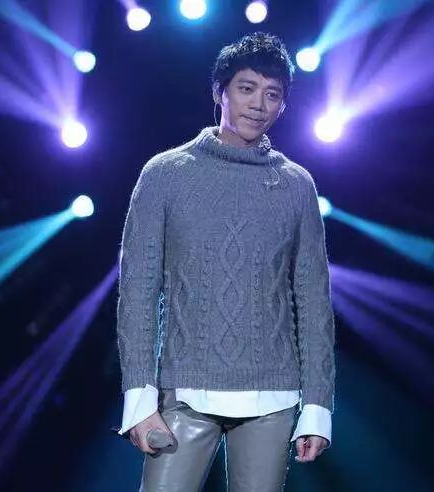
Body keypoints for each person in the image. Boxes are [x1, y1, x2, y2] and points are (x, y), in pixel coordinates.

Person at [115, 31, 336, 491]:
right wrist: (139, 396)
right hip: (184, 390)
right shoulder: (165, 174)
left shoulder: (297, 185)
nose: (258, 103)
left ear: (283, 105)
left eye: (272, 94)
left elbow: (314, 301)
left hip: (273, 396)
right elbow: (137, 291)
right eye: (247, 88)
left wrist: (317, 404)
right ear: (220, 91)